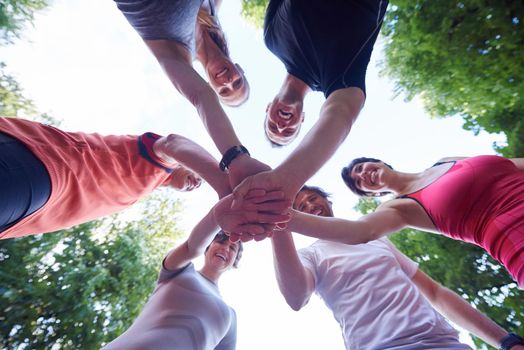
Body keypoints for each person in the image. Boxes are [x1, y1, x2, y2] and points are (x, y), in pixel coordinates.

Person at [271, 185, 524, 349]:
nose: (310, 205)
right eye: (301, 207)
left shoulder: (375, 237)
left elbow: (434, 292)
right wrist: (277, 224)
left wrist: (505, 340)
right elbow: (296, 297)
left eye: (313, 198)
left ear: (326, 199)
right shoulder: (311, 254)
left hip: (444, 343)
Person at [231, 0, 387, 229]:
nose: (282, 126)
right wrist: (285, 178)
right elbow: (341, 113)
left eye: (273, 127)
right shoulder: (337, 78)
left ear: (267, 108)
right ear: (303, 119)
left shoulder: (272, 39)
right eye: (289, 132)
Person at [104, 190, 290, 349]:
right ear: (208, 246)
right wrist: (217, 216)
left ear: (235, 261)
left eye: (233, 248)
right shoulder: (181, 269)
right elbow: (191, 247)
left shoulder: (230, 316)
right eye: (221, 241)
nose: (226, 248)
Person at [114, 0, 268, 188]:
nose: (228, 81)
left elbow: (201, 97)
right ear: (239, 69)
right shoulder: (213, 11)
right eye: (237, 82)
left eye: (224, 91)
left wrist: (236, 157)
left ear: (211, 86)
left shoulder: (178, 55)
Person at [0, 117, 231, 239]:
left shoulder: (147, 185)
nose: (198, 182)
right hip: (45, 167)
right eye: (199, 173)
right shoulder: (160, 161)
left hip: (31, 212)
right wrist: (225, 186)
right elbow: (173, 143)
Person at [329, 155, 524, 287]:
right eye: (358, 182)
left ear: (379, 162)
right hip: (515, 235)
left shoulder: (445, 161)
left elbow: (511, 164)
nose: (362, 174)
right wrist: (297, 217)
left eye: (360, 168)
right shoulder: (397, 208)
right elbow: (361, 231)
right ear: (374, 193)